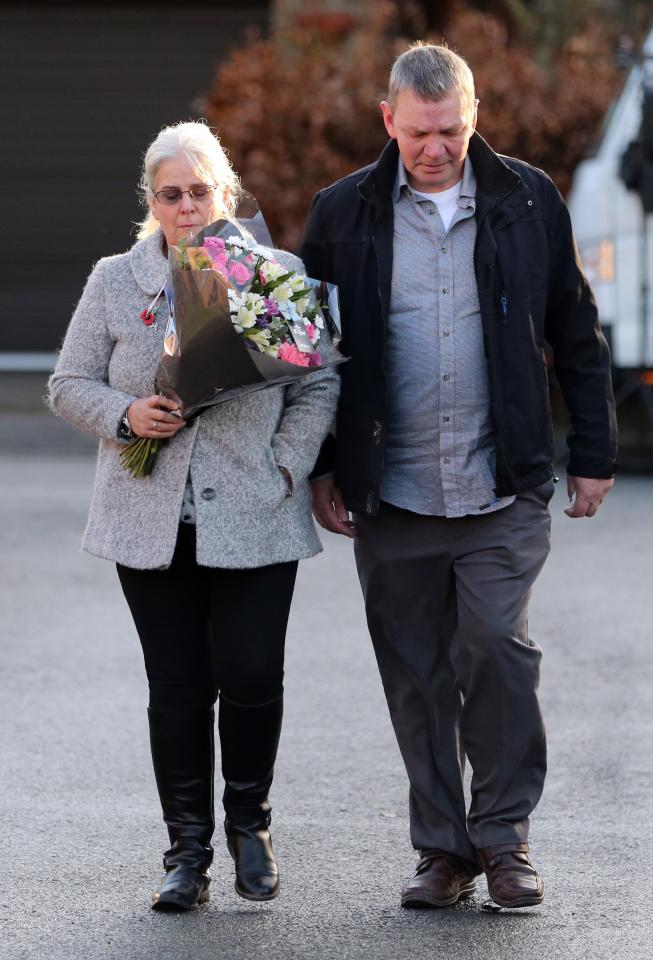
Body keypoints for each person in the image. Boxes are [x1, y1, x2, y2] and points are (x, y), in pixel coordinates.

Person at [300, 43, 616, 910]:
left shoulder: (524, 199)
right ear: (387, 120)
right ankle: (443, 850)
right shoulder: (343, 213)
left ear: (472, 116)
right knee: (414, 673)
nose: (434, 148)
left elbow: (575, 330)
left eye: (450, 130)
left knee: (495, 651)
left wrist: (591, 453)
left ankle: (504, 838)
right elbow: (308, 357)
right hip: (391, 489)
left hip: (499, 481)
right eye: (417, 133)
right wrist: (324, 467)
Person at [49, 121, 339, 911]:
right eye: (169, 194)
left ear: (226, 194)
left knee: (250, 675)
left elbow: (315, 384)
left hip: (255, 507)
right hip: (146, 516)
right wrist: (123, 414)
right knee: (175, 688)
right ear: (151, 201)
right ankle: (186, 852)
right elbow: (67, 381)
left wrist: (286, 463)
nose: (184, 206)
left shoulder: (274, 273)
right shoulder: (116, 278)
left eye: (199, 191)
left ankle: (251, 824)